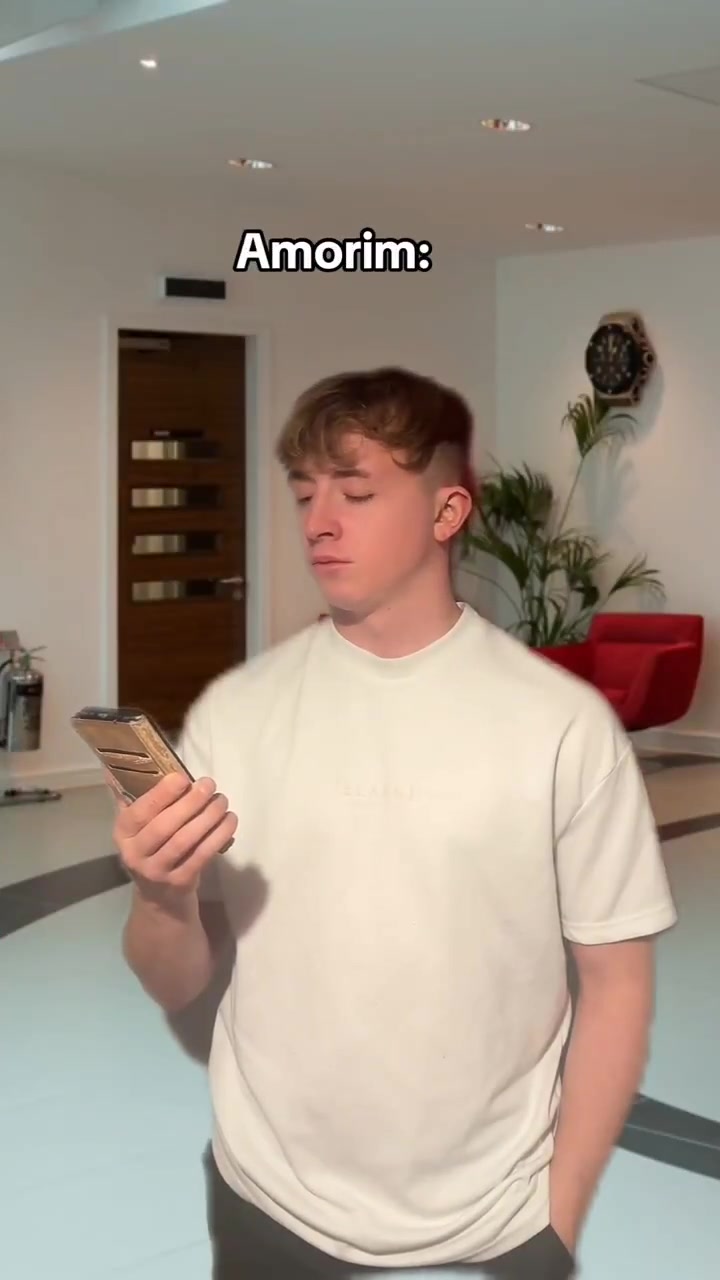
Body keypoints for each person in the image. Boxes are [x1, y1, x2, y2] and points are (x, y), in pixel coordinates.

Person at [113, 366, 678, 1279]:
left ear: (447, 512)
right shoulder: (236, 713)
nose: (317, 521)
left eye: (357, 491)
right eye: (305, 492)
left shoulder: (560, 726)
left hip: (496, 1227)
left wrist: (559, 1220)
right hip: (264, 1204)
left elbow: (616, 984)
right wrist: (159, 896)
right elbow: (177, 981)